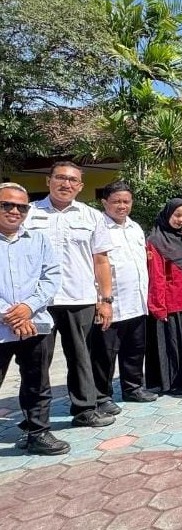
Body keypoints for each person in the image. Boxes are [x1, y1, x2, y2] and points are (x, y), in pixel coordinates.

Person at [24, 162, 116, 427]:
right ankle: (35, 418)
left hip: (79, 298)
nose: (66, 184)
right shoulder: (29, 214)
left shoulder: (91, 216)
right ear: (48, 181)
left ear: (80, 186)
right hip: (38, 302)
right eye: (60, 178)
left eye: (73, 180)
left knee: (80, 357)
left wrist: (105, 300)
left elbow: (101, 260)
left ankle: (84, 409)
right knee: (36, 360)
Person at [0, 182, 67, 455]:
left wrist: (28, 307)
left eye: (22, 207)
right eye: (7, 205)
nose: (15, 211)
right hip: (3, 326)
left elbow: (51, 277)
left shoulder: (38, 240)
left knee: (37, 382)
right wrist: (10, 314)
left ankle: (38, 433)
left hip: (34, 324)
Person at [92, 182, 156, 413]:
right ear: (104, 203)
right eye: (116, 201)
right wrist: (102, 300)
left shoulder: (135, 227)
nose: (122, 206)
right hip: (112, 303)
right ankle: (101, 396)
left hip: (136, 301)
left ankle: (133, 387)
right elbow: (96, 265)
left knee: (135, 349)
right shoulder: (98, 228)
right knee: (105, 354)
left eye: (126, 201)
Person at [145, 198, 182, 396]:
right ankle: (169, 382)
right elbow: (156, 276)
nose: (180, 220)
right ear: (167, 215)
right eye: (177, 215)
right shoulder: (156, 240)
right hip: (167, 301)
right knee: (169, 343)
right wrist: (158, 307)